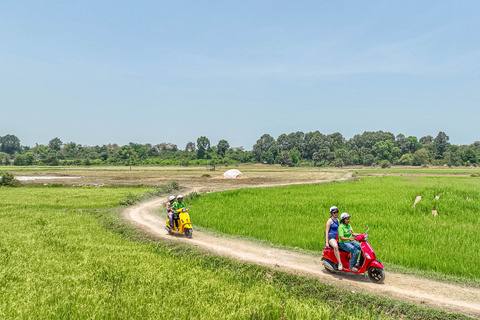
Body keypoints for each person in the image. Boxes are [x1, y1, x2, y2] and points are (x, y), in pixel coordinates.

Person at [325, 206, 343, 271]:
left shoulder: (338, 221)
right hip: (331, 237)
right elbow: (327, 231)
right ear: (332, 213)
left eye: (337, 212)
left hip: (337, 237)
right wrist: (327, 242)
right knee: (335, 246)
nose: (336, 213)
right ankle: (339, 263)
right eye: (334, 212)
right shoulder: (330, 221)